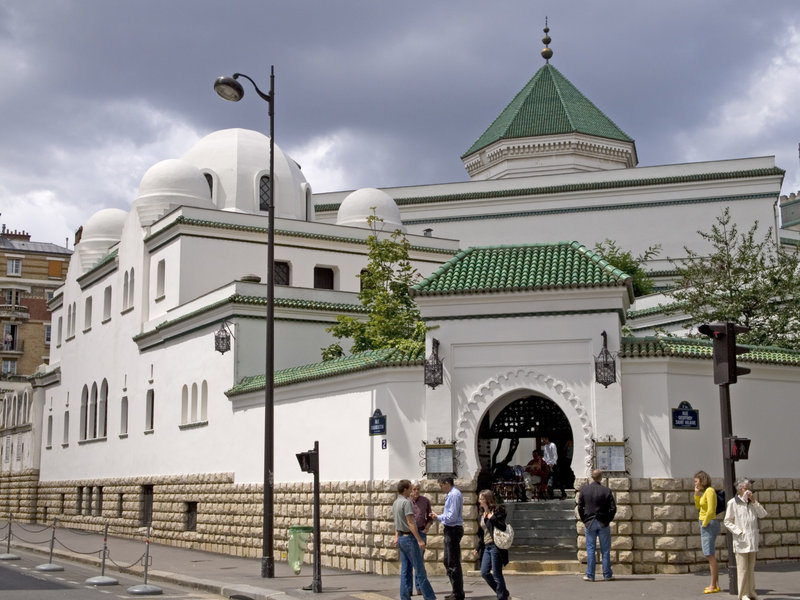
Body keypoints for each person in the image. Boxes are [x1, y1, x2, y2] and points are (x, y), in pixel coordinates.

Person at [724, 478, 767, 600]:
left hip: (752, 540)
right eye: (747, 488)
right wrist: (738, 532)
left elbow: (763, 514)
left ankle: (751, 592)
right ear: (740, 489)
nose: (749, 491)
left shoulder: (752, 502)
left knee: (751, 568)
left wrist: (754, 501)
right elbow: (727, 521)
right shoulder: (733, 503)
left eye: (749, 488)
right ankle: (742, 594)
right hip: (741, 541)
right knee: (742, 569)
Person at [393, 479, 436, 600]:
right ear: (406, 489)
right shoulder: (406, 503)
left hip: (402, 538)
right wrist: (419, 540)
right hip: (410, 538)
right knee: (420, 570)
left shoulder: (396, 502)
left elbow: (397, 522)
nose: (413, 491)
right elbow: (411, 523)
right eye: (411, 488)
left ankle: (405, 597)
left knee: (405, 570)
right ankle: (430, 597)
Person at [577, 468, 616, 581]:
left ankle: (590, 575)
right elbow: (613, 508)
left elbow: (580, 507)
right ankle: (607, 574)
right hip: (603, 522)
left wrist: (584, 519)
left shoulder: (584, 490)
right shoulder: (606, 490)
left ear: (592, 477)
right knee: (605, 550)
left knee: (590, 549)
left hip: (589, 522)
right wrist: (608, 519)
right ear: (601, 478)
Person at [431, 476, 464, 600]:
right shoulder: (451, 494)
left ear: (446, 483)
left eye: (441, 485)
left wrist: (438, 517)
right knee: (448, 561)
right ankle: (456, 590)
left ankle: (458, 593)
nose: (441, 489)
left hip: (453, 529)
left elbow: (452, 516)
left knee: (453, 562)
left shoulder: (454, 495)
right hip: (450, 529)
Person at [474, 489, 510, 600]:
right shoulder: (481, 514)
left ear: (487, 500)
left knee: (496, 574)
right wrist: (477, 548)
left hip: (495, 546)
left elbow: (502, 527)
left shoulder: (498, 511)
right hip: (486, 546)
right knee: (484, 572)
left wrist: (492, 517)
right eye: (479, 499)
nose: (479, 501)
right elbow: (482, 534)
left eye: (481, 499)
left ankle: (502, 597)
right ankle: (503, 592)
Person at [694, 470, 720, 594]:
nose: (695, 483)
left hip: (708, 523)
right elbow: (699, 507)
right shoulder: (705, 492)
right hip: (706, 522)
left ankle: (713, 585)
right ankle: (715, 584)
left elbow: (710, 510)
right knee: (710, 554)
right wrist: (696, 494)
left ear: (702, 480)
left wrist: (704, 524)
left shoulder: (710, 491)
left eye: (696, 481)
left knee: (709, 554)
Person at [410, 481, 434, 596]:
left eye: (418, 489)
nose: (416, 491)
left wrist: (426, 529)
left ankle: (419, 587)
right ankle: (409, 588)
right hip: (409, 534)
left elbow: (430, 518)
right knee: (409, 562)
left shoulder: (425, 501)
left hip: (421, 531)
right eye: (414, 489)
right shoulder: (406, 502)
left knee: (419, 560)